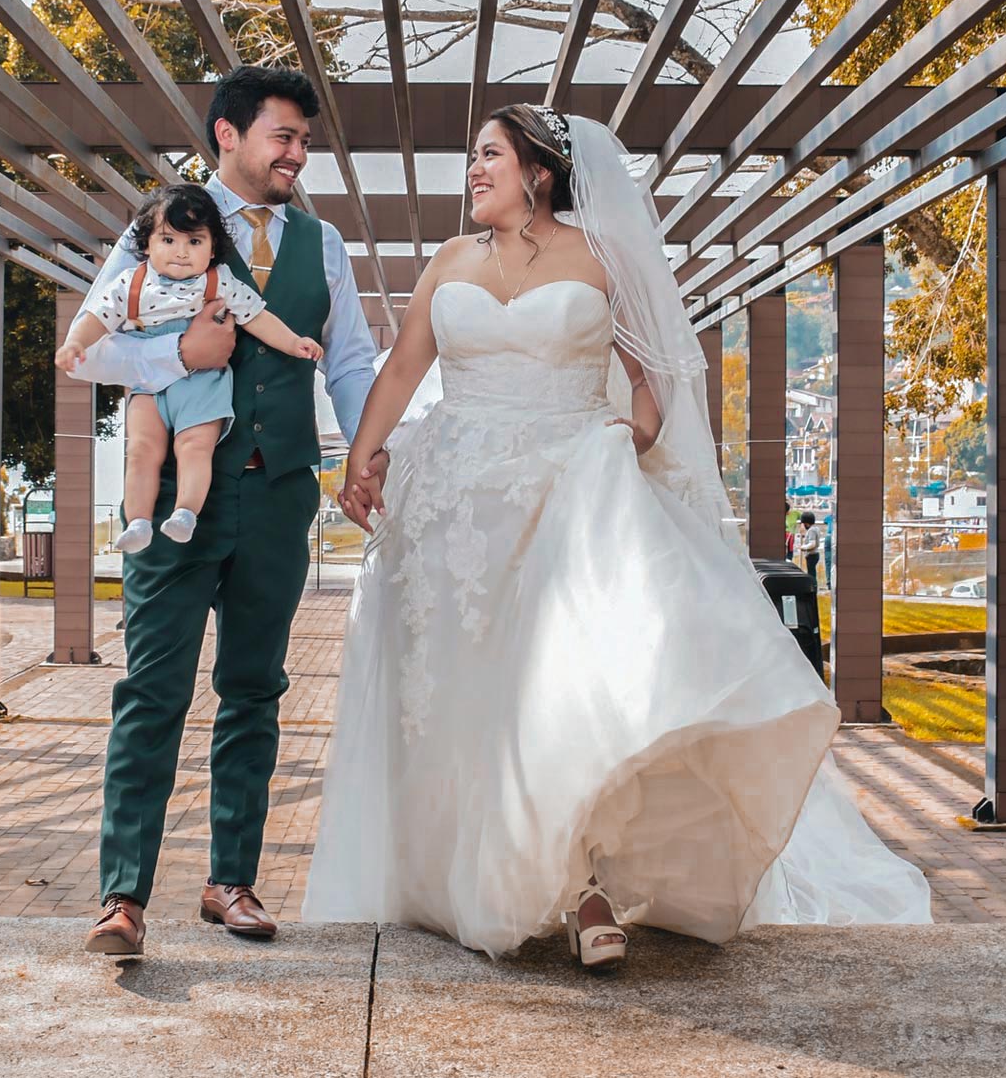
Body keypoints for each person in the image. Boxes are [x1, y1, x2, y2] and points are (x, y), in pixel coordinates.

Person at [308, 104, 930, 966]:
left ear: (540, 171)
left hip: (567, 495)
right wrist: (361, 459)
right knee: (464, 699)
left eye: (488, 154)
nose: (473, 170)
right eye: (472, 157)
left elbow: (658, 381)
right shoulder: (448, 263)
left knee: (574, 690)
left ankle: (585, 884)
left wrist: (625, 442)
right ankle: (472, 878)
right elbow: (404, 369)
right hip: (451, 510)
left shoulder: (602, 262)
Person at [61, 66, 386, 957]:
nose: (297, 154)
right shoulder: (160, 227)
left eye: (304, 141)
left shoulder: (321, 245)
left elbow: (349, 362)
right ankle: (122, 896)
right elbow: (91, 352)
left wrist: (365, 457)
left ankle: (230, 881)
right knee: (152, 691)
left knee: (255, 689)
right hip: (177, 500)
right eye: (283, 136)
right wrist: (178, 357)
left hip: (280, 495)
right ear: (228, 135)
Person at [56, 184, 324, 553]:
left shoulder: (219, 282)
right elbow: (96, 319)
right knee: (142, 450)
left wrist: (294, 342)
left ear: (213, 248)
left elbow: (258, 317)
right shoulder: (129, 283)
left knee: (195, 446)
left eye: (195, 242)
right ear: (147, 243)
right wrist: (75, 344)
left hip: (203, 382)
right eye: (168, 239)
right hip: (150, 385)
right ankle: (137, 521)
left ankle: (186, 513)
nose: (181, 252)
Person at [796, 511, 823, 582]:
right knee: (812, 572)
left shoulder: (811, 530)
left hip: (811, 555)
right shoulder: (816, 528)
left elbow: (812, 544)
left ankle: (813, 588)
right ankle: (813, 587)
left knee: (811, 574)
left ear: (806, 523)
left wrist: (802, 547)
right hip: (815, 554)